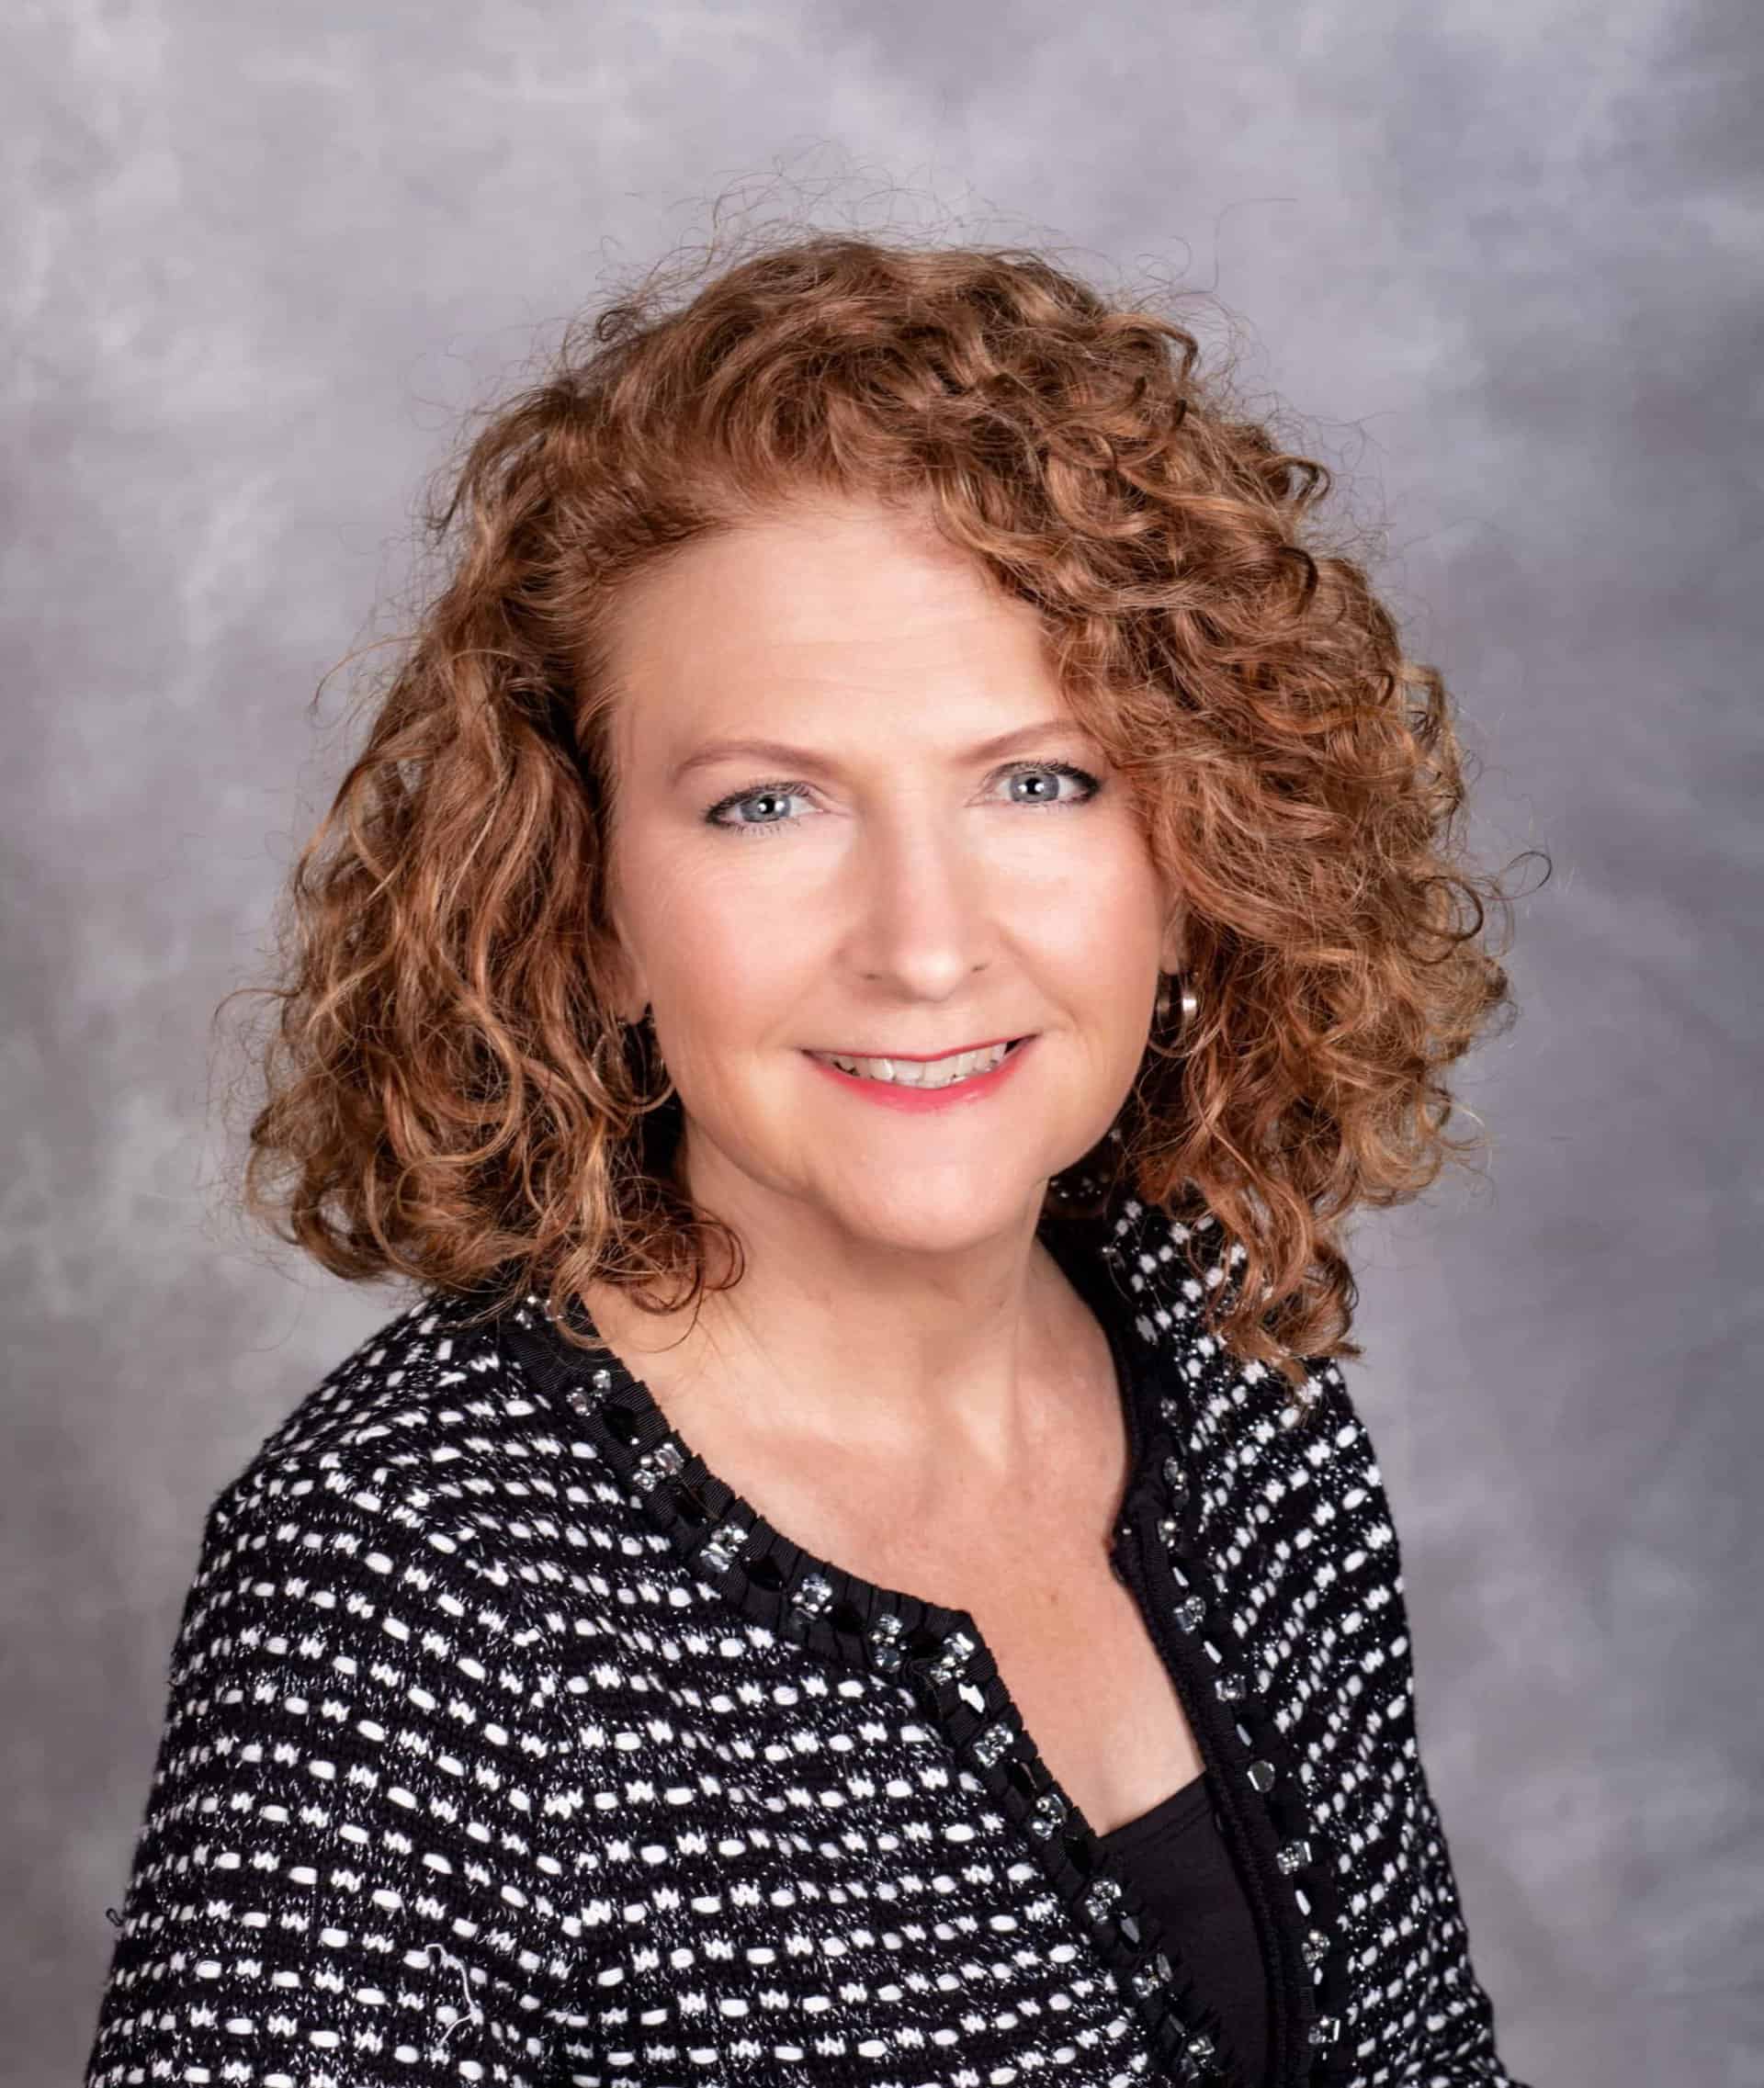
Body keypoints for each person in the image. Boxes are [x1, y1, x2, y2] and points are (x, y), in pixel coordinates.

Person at [85, 231, 1534, 2088]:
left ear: (1201, 854)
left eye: (1038, 780)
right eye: (767, 804)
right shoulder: (408, 1581)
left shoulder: (1234, 1366)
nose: (924, 945)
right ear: (586, 904)